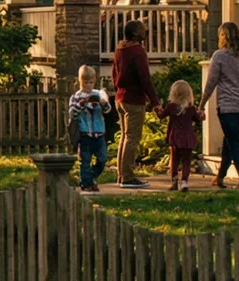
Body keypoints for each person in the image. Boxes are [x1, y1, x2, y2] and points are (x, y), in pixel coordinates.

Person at [198, 21, 239, 189]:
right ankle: (220, 177)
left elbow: (211, 83)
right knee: (229, 140)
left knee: (233, 142)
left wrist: (201, 104)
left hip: (227, 107)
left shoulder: (219, 56)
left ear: (222, 37)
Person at [109, 19, 157, 188]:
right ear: (136, 33)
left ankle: (121, 175)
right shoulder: (138, 51)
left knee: (125, 137)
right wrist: (155, 102)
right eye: (143, 29)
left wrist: (118, 91)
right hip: (134, 100)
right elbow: (145, 79)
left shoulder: (120, 50)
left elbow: (114, 74)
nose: (146, 31)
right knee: (132, 138)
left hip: (120, 98)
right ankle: (128, 177)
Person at [67, 65, 111, 193]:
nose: (88, 85)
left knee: (102, 158)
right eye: (85, 82)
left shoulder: (99, 94)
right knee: (85, 160)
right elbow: (72, 114)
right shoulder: (76, 97)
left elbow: (108, 110)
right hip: (85, 133)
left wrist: (103, 103)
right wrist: (82, 103)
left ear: (94, 81)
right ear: (80, 81)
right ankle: (86, 184)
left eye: (91, 82)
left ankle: (90, 177)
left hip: (99, 133)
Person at [156, 80, 202, 192]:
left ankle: (174, 181)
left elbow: (161, 115)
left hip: (175, 137)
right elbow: (198, 118)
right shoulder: (191, 108)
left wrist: (157, 108)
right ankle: (184, 182)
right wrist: (202, 114)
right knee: (186, 161)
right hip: (188, 137)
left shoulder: (170, 106)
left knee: (174, 160)